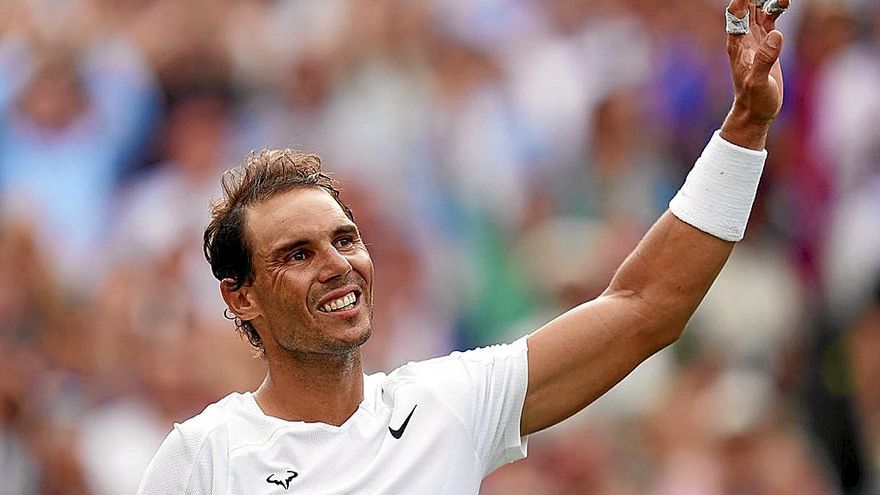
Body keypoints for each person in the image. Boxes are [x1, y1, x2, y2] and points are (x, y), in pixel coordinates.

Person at [138, 0, 792, 492]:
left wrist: (746, 124)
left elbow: (646, 306)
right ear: (239, 294)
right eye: (298, 253)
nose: (339, 264)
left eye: (345, 238)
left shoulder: (447, 402)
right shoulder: (205, 455)